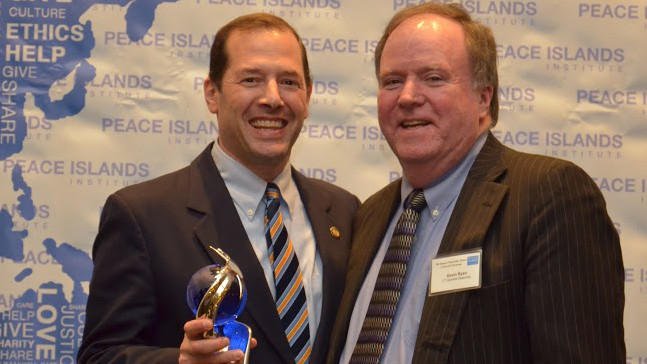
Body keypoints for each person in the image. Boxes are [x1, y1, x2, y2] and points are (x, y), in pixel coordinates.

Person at [327, 3, 625, 364]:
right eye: (392, 81)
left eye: (433, 78)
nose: (407, 97)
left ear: (484, 97)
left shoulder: (548, 195)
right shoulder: (370, 213)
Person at [78, 13, 359, 364]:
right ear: (212, 94)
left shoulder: (344, 212)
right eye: (251, 79)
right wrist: (179, 362)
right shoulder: (142, 215)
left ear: (308, 95)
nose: (273, 98)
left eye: (289, 81)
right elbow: (99, 356)